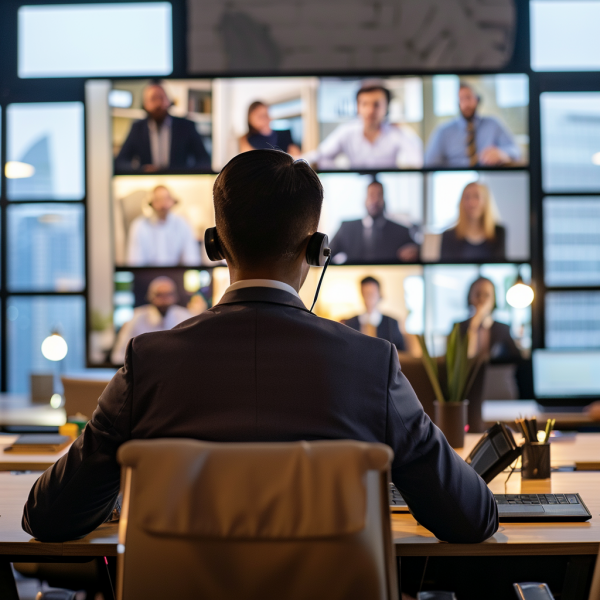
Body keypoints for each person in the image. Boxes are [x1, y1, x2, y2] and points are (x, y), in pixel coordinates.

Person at [22, 149, 497, 545]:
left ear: (215, 245)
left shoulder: (148, 362)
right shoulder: (372, 363)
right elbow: (471, 518)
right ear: (317, 250)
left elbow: (48, 518)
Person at [303, 81, 423, 169]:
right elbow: (320, 155)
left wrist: (404, 128)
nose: (370, 110)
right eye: (365, 104)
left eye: (376, 105)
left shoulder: (397, 132)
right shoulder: (347, 131)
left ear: (386, 108)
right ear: (358, 107)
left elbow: (417, 161)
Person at [115, 82, 211, 172]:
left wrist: (183, 172)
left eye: (161, 98)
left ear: (168, 101)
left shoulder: (186, 126)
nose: (158, 104)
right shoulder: (137, 128)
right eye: (153, 99)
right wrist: (142, 169)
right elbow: (120, 162)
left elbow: (204, 161)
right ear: (145, 104)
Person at [424, 82, 521, 167]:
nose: (466, 103)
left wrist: (502, 154)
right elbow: (429, 163)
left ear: (477, 100)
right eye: (462, 99)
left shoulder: (493, 124)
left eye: (469, 97)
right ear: (458, 104)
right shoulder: (443, 131)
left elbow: (516, 151)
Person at [329, 180, 420, 263]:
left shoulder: (401, 230)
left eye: (379, 195)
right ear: (365, 199)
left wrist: (417, 251)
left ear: (384, 199)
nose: (375, 200)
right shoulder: (346, 228)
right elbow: (327, 254)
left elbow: (420, 251)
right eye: (371, 195)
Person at [111, 276, 192, 364]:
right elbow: (119, 354)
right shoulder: (136, 317)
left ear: (175, 296)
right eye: (159, 295)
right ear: (150, 296)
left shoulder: (187, 317)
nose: (164, 299)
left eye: (168, 294)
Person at [126, 185, 201, 267]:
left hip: (176, 276)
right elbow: (135, 262)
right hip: (148, 277)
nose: (163, 204)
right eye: (158, 200)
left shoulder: (183, 224)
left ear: (173, 201)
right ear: (151, 203)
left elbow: (191, 259)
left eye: (166, 199)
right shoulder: (139, 226)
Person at [455, 277, 521, 362]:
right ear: (470, 297)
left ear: (493, 299)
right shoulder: (458, 327)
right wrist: (474, 325)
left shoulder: (503, 329)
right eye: (477, 294)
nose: (481, 299)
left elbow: (517, 359)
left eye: (486, 295)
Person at [440, 182, 506, 261]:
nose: (471, 203)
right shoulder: (448, 236)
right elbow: (445, 268)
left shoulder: (498, 232)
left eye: (476, 196)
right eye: (467, 197)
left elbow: (501, 268)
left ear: (486, 201)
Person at [343, 276, 406, 350]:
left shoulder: (391, 323)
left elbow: (400, 352)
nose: (369, 298)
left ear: (379, 294)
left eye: (372, 294)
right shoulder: (350, 323)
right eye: (365, 293)